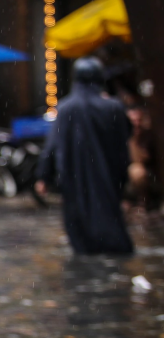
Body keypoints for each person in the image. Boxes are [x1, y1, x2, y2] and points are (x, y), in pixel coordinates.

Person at [36, 57, 133, 255]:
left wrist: (43, 176)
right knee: (110, 221)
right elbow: (124, 142)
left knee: (79, 228)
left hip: (74, 176)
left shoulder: (65, 108)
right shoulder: (112, 107)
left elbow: (52, 146)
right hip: (106, 174)